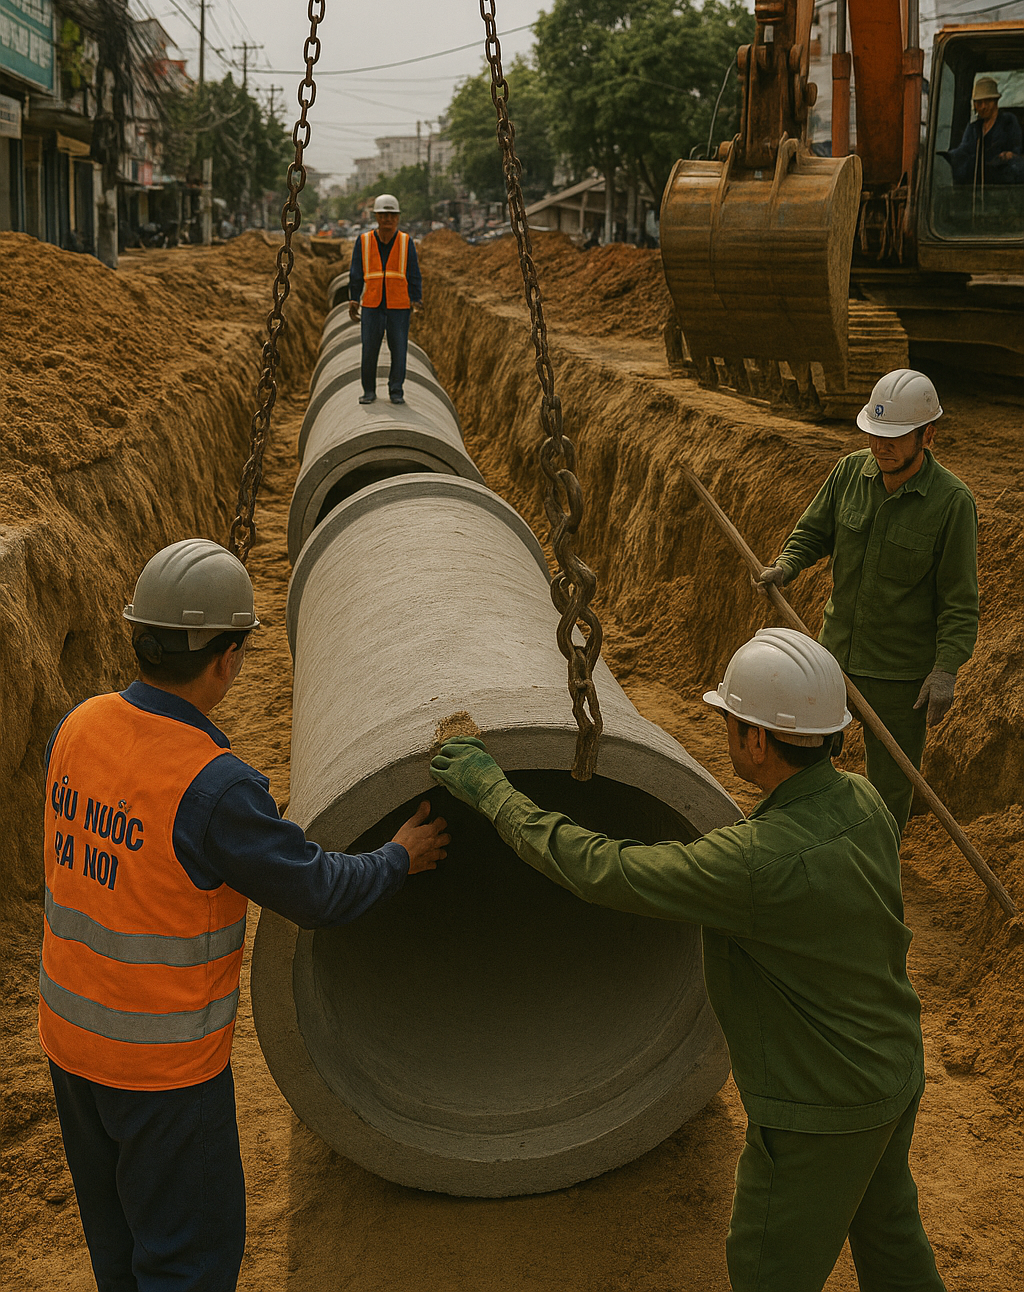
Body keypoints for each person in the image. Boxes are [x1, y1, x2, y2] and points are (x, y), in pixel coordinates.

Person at [430, 629, 945, 1292]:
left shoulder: (755, 863)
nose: (727, 730)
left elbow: (602, 869)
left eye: (730, 720)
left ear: (757, 738)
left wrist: (494, 794)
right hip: (894, 1069)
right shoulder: (867, 801)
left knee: (767, 1271)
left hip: (821, 1111)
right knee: (892, 1238)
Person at [40, 538, 448, 1292]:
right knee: (188, 1260)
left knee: (122, 1250)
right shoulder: (217, 788)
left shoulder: (78, 726)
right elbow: (318, 891)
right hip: (162, 1076)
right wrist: (399, 855)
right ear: (226, 659)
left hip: (71, 1050)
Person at [756, 370, 977, 833]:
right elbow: (812, 533)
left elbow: (959, 602)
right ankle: (804, 840)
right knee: (801, 759)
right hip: (831, 658)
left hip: (898, 677)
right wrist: (786, 565)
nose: (881, 447)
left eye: (894, 438)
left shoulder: (952, 503)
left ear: (927, 434)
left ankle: (877, 868)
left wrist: (945, 669)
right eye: (875, 435)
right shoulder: (849, 473)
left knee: (889, 791)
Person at [348, 193, 422, 406]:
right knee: (369, 349)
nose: (388, 219)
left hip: (399, 305)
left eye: (392, 215)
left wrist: (416, 298)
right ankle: (369, 391)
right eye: (383, 215)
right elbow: (356, 271)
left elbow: (414, 272)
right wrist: (354, 298)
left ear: (397, 217)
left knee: (399, 349)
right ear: (377, 217)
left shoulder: (406, 242)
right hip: (372, 304)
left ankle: (396, 390)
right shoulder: (363, 241)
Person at [946, 75, 1024, 186]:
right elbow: (963, 150)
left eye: (987, 102)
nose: (983, 107)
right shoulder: (973, 128)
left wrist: (1008, 156)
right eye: (979, 103)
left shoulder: (1008, 122)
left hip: (1003, 184)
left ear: (996, 101)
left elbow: (1016, 151)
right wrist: (947, 158)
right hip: (977, 184)